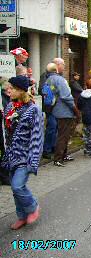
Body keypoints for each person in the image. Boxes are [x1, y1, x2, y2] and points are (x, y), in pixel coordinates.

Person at [2, 75, 44, 230]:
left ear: (20, 90)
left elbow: (37, 136)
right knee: (14, 190)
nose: (8, 90)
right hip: (12, 155)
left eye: (12, 88)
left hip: (25, 156)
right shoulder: (10, 107)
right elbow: (7, 133)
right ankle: (22, 216)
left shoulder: (34, 110)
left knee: (18, 186)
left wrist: (33, 160)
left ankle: (32, 207)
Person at [51, 58, 79, 167]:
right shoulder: (60, 80)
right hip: (64, 111)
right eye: (63, 64)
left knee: (61, 134)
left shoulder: (49, 78)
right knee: (63, 135)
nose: (64, 67)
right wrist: (75, 110)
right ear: (58, 65)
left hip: (56, 110)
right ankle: (59, 158)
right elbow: (66, 97)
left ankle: (62, 156)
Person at [41, 63, 58, 159]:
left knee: (53, 128)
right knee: (52, 128)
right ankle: (47, 150)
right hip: (51, 108)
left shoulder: (46, 78)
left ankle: (50, 148)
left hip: (50, 108)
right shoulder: (48, 79)